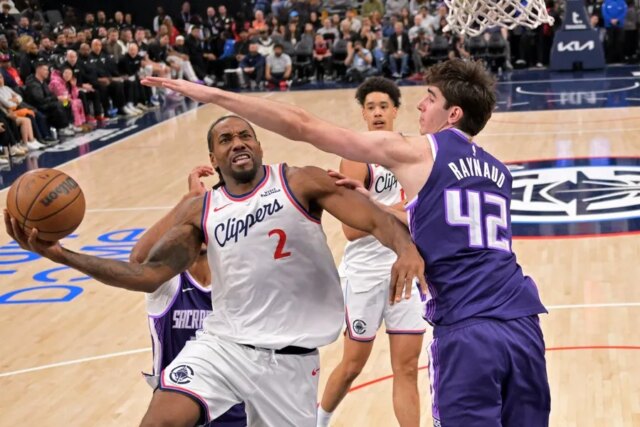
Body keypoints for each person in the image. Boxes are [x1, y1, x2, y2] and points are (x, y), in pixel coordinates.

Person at [141, 59, 551, 426]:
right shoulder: (497, 171)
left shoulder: (417, 151)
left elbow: (303, 125)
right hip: (522, 321)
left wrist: (212, 95)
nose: (420, 106)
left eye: (430, 98)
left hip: (468, 327)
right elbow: (449, 226)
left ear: (453, 114)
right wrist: (375, 204)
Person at [5, 115, 425, 426]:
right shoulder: (202, 209)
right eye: (226, 139)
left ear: (259, 146)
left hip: (290, 362)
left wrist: (405, 247)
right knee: (160, 420)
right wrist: (64, 256)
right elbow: (149, 273)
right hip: (223, 346)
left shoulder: (299, 183)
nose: (237, 142)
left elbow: (374, 220)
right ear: (213, 157)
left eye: (245, 136)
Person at [317, 77, 427, 427]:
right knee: (352, 365)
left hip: (404, 270)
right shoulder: (355, 157)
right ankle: (318, 421)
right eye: (371, 108)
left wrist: (381, 209)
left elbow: (423, 213)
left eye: (383, 106)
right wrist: (401, 210)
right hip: (364, 274)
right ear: (363, 115)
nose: (377, 113)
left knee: (407, 368)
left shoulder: (411, 153)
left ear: (395, 111)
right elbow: (352, 229)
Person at [130, 165, 247, 427]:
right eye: (197, 222)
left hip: (237, 415)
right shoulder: (168, 283)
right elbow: (138, 261)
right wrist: (189, 201)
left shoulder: (240, 281)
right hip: (179, 413)